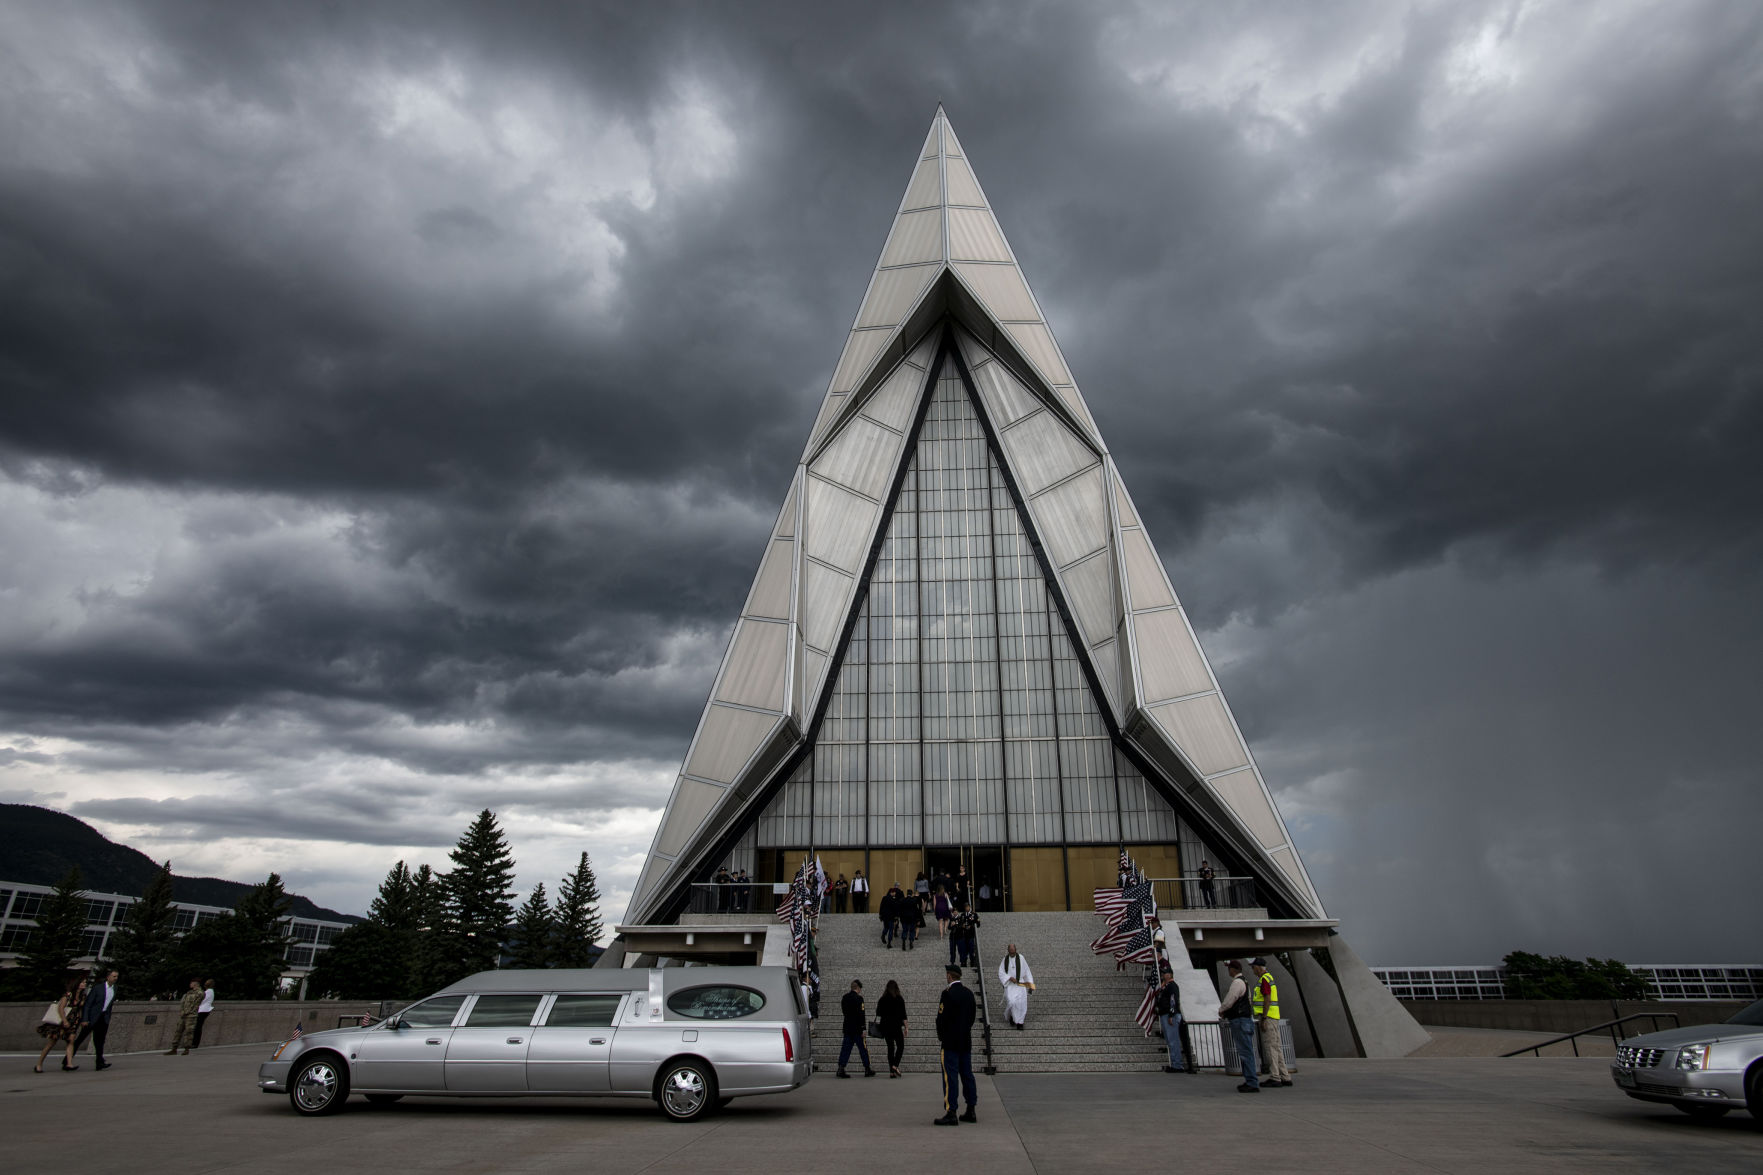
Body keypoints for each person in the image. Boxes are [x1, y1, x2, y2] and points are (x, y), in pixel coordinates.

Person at [933, 964, 978, 1125]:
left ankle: (951, 1111)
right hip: (965, 1040)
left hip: (950, 1042)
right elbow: (972, 1016)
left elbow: (941, 1018)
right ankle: (971, 1109)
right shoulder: (968, 993)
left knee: (950, 1076)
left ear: (949, 976)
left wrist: (942, 1036)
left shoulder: (947, 994)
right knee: (967, 1074)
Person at [1251, 958, 1292, 1087]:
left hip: (1268, 1018)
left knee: (1270, 1047)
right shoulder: (1269, 978)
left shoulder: (1264, 979)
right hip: (1273, 1017)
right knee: (1276, 1047)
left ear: (1258, 967)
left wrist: (1263, 1018)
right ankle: (1285, 1076)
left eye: (1253, 967)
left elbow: (1267, 998)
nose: (1252, 970)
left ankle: (1275, 1077)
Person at [1221, 960, 1258, 1092]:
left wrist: (1222, 1010)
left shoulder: (1237, 982)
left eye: (1229, 968)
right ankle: (1250, 1080)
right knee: (1246, 1051)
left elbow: (1230, 999)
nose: (1228, 971)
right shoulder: (1245, 982)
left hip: (1240, 1020)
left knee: (1245, 1052)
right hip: (1246, 1020)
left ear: (1232, 969)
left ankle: (1252, 1082)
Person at [35, 974, 85, 1073]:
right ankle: (39, 1064)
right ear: (77, 984)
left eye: (85, 982)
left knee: (70, 1041)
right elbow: (60, 1008)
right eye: (83, 982)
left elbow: (80, 1009)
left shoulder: (82, 996)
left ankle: (69, 1064)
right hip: (62, 1022)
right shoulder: (68, 995)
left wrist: (81, 1019)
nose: (84, 984)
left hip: (73, 1022)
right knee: (51, 1043)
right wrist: (64, 1021)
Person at [78, 968, 118, 1070]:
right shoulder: (98, 988)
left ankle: (99, 1062)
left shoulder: (115, 988)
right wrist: (85, 1019)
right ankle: (67, 1060)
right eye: (114, 976)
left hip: (103, 1018)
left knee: (100, 1041)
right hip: (92, 1018)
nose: (115, 978)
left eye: (116, 976)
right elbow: (88, 1004)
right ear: (108, 977)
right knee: (80, 1039)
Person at [836, 979, 876, 1078]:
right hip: (858, 1029)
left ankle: (841, 1068)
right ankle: (867, 1068)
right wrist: (863, 1028)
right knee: (863, 1049)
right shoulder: (859, 999)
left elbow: (844, 1012)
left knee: (845, 1049)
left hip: (848, 1027)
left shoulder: (845, 998)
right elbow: (861, 1015)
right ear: (858, 988)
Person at [1154, 962, 1186, 1072]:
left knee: (1173, 1041)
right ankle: (1174, 1063)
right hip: (1164, 1014)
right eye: (1162, 973)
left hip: (1170, 1015)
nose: (1162, 975)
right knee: (1170, 1041)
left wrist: (1172, 1014)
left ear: (1170, 974)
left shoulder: (1172, 986)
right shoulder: (1166, 986)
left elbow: (1173, 1000)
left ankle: (1177, 1065)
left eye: (1164, 973)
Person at [997, 943, 1034, 1029]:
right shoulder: (1005, 960)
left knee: (1021, 1003)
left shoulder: (1021, 958)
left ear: (1016, 950)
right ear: (1008, 951)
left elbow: (1027, 971)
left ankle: (1020, 1023)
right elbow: (1001, 973)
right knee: (1012, 1002)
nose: (1012, 954)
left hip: (1020, 984)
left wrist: (1030, 984)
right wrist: (1009, 978)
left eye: (1013, 952)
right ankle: (1012, 1017)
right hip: (1010, 985)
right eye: (1011, 952)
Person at [877, 978, 909, 1077]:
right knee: (900, 1046)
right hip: (896, 1027)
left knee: (890, 1048)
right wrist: (906, 1028)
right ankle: (895, 1066)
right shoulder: (899, 999)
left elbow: (878, 1013)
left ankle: (891, 1072)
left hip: (885, 1027)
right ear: (896, 988)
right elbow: (904, 1015)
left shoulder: (882, 999)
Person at [167, 977, 202, 1055]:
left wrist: (187, 1011)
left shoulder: (200, 993)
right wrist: (182, 1011)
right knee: (178, 1031)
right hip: (184, 1015)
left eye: (191, 982)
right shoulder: (189, 992)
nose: (190, 984)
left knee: (189, 1032)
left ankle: (186, 1049)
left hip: (191, 1015)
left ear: (195, 983)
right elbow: (183, 1003)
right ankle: (174, 1048)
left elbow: (195, 1005)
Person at [191, 978, 216, 1049]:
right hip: (204, 1010)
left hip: (203, 1010)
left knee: (198, 1027)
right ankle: (194, 1043)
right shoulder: (210, 991)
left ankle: (195, 1043)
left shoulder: (208, 992)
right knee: (198, 1026)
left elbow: (202, 1000)